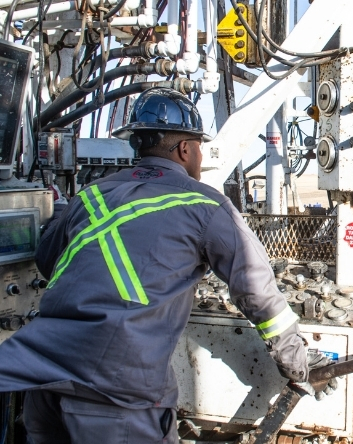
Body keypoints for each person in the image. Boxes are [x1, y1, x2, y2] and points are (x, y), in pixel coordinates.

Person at [0, 88, 331, 443]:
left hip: (40, 376)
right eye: (199, 148)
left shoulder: (90, 196)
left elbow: (49, 264)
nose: (200, 158)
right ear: (185, 149)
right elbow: (257, 291)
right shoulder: (205, 204)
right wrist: (299, 364)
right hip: (115, 390)